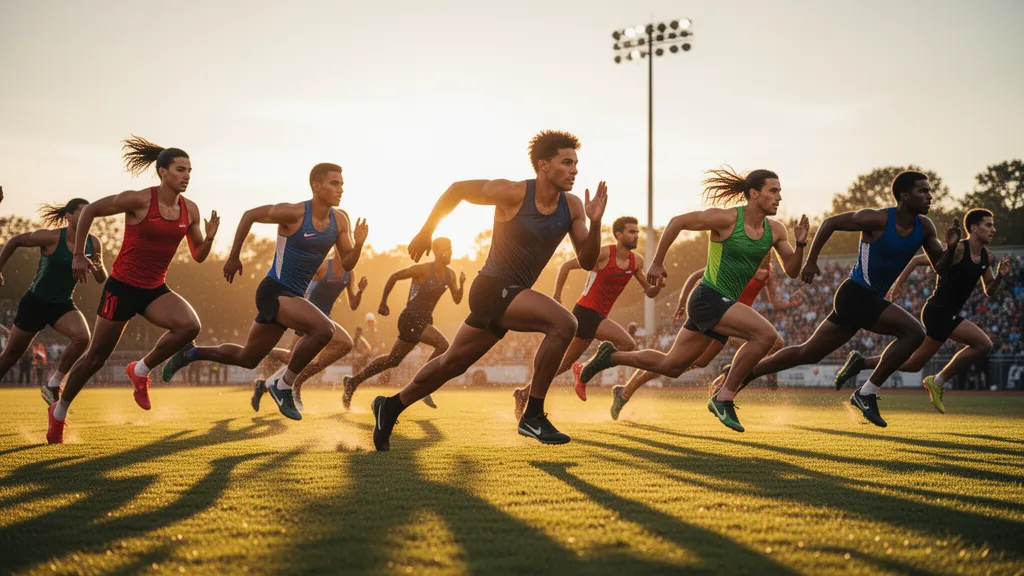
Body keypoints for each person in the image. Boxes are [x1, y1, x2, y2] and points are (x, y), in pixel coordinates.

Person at [370, 130, 607, 450]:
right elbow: (457, 190)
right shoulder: (512, 192)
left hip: (512, 294)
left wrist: (596, 223)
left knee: (453, 363)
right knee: (565, 324)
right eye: (566, 162)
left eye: (576, 163)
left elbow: (589, 261)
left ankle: (390, 406)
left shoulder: (573, 206)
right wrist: (427, 231)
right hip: (492, 288)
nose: (574, 170)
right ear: (543, 165)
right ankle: (533, 415)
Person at [578, 167, 808, 433]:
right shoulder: (726, 219)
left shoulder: (776, 230)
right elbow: (677, 221)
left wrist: (801, 245)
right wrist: (657, 262)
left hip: (722, 306)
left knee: (672, 366)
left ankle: (610, 356)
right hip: (709, 297)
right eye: (773, 191)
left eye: (779, 191)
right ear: (754, 194)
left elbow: (792, 270)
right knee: (766, 336)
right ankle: (724, 397)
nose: (779, 197)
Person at [720, 171, 956, 428]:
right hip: (855, 295)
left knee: (808, 353)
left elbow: (941, 268)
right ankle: (866, 393)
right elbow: (830, 222)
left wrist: (952, 248)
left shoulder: (925, 228)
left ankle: (741, 373)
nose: (930, 196)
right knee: (914, 333)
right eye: (923, 191)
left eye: (929, 191)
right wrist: (811, 260)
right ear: (905, 196)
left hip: (864, 300)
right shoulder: (876, 219)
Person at [161, 163, 367, 420]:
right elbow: (249, 215)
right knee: (324, 330)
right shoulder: (293, 213)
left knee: (247, 358)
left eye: (342, 184)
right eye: (334, 183)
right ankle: (283, 386)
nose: (340, 189)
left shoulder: (340, 221)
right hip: (274, 291)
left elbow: (347, 263)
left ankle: (190, 352)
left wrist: (359, 244)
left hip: (294, 298)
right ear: (316, 186)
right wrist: (234, 256)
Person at [46, 137, 219, 444]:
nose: (187, 176)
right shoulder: (139, 200)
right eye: (180, 170)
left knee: (189, 326)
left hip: (154, 289)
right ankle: (58, 413)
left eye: (190, 170)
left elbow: (198, 255)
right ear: (163, 172)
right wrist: (78, 254)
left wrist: (209, 238)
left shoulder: (190, 210)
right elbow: (90, 211)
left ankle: (140, 370)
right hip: (122, 288)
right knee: (95, 358)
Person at [833, 208, 1011, 413]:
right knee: (983, 344)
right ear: (974, 228)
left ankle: (861, 362)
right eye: (988, 225)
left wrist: (1000, 276)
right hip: (937, 311)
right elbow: (917, 260)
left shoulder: (988, 258)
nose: (993, 229)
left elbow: (989, 290)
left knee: (912, 364)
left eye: (993, 225)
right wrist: (898, 284)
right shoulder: (958, 250)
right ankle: (938, 381)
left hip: (948, 314)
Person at [607, 252, 790, 420]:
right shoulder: (739, 262)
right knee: (675, 363)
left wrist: (790, 303)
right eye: (763, 250)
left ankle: (726, 377)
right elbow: (695, 276)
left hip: (737, 321)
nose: (766, 254)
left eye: (769, 251)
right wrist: (682, 303)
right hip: (718, 314)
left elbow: (775, 302)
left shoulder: (768, 273)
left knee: (699, 362)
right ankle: (626, 389)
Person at [511, 215, 661, 419]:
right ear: (619, 235)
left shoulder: (637, 262)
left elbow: (649, 291)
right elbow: (566, 266)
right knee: (627, 343)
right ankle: (584, 371)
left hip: (598, 315)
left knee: (563, 364)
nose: (636, 236)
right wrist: (557, 295)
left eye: (637, 232)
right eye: (632, 232)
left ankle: (524, 393)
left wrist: (658, 285)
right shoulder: (604, 254)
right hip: (586, 311)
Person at [0, 199, 105, 404]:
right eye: (82, 212)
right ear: (69, 216)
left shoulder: (94, 243)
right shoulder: (51, 237)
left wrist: (98, 267)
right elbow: (15, 241)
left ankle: (53, 384)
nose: (88, 216)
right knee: (11, 355)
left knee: (82, 338)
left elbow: (101, 279)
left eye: (90, 212)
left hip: (62, 304)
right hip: (35, 303)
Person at [342, 237, 465, 410]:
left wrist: (462, 285)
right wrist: (383, 302)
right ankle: (423, 384)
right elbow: (394, 277)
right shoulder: (423, 269)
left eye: (451, 249)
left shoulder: (450, 275)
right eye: (446, 249)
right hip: (410, 318)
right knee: (443, 345)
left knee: (392, 360)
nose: (450, 252)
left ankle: (353, 382)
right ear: (436, 251)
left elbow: (457, 299)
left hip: (423, 321)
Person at [251, 249, 368, 411]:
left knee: (338, 347)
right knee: (293, 357)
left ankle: (265, 385)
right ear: (336, 248)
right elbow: (301, 284)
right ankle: (260, 353)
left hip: (325, 321)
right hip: (306, 316)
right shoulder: (322, 266)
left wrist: (360, 291)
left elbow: (353, 305)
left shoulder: (349, 273)